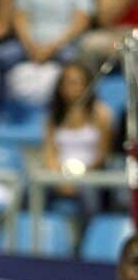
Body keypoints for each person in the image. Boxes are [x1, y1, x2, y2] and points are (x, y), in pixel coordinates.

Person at [42, 61, 112, 218]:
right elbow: (49, 153)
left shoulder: (101, 114)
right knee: (34, 189)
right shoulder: (53, 117)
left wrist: (79, 176)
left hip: (91, 174)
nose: (71, 87)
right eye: (66, 82)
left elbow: (102, 154)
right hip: (59, 173)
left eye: (76, 82)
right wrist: (60, 176)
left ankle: (91, 236)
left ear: (87, 85)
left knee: (89, 194)